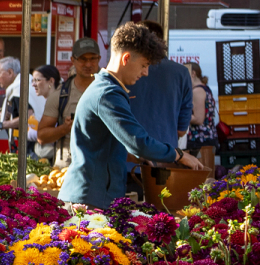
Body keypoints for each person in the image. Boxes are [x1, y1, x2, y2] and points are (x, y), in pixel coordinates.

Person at [59, 21, 203, 209]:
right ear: (126, 58)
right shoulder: (108, 93)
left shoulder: (107, 89)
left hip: (95, 195)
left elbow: (103, 145)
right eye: (144, 65)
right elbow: (138, 142)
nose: (146, 72)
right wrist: (178, 154)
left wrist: (136, 157)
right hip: (90, 198)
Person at [127, 21, 192, 163]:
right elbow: (181, 130)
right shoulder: (181, 73)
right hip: (165, 163)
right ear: (162, 42)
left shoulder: (124, 72)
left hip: (128, 162)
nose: (144, 72)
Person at [38, 37, 101, 168]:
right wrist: (63, 129)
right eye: (83, 59)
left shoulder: (110, 92)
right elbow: (41, 137)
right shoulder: (61, 96)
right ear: (73, 60)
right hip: (66, 171)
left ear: (99, 59)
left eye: (92, 59)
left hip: (100, 167)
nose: (88, 64)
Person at [0, 58, 45, 145]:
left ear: (10, 72)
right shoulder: (25, 82)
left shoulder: (19, 88)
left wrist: (1, 124)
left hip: (33, 144)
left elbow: (27, 117)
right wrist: (10, 118)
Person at [188, 61, 218, 169]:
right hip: (205, 139)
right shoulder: (204, 88)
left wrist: (179, 117)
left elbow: (199, 119)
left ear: (193, 73)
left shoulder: (197, 91)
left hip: (200, 140)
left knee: (201, 177)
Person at [30, 65, 61, 160]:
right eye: (33, 80)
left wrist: (31, 133)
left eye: (37, 80)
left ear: (51, 81)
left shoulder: (59, 102)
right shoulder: (46, 102)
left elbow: (55, 131)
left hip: (56, 157)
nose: (33, 84)